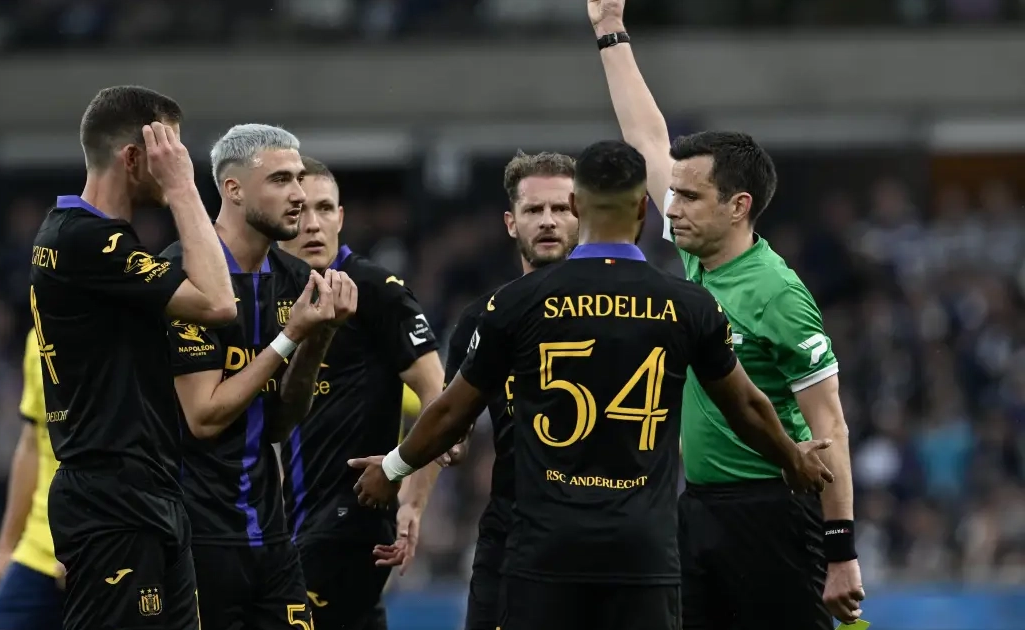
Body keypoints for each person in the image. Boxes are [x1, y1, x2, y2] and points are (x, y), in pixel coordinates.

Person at [350, 140, 835, 630]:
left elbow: (451, 410)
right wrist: (790, 458)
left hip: (545, 553)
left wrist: (392, 468)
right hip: (643, 553)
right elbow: (746, 406)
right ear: (643, 209)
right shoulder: (688, 305)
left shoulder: (515, 304)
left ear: (577, 206)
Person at [587, 1, 866, 627]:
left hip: (775, 514)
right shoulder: (699, 258)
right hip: (700, 509)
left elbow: (831, 427)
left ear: (738, 206)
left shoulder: (778, 294)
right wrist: (609, 31)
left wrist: (842, 552)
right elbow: (647, 139)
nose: (671, 208)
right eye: (674, 195)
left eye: (689, 197)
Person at [30, 85, 236, 630]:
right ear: (133, 157)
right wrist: (185, 188)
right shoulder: (84, 241)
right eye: (170, 150)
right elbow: (219, 302)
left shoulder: (95, 241)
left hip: (146, 486)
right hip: (111, 496)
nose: (179, 161)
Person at [166, 124, 357, 630]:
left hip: (271, 534)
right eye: (280, 180)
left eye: (298, 178)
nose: (299, 195)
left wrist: (319, 336)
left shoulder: (295, 281)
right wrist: (291, 337)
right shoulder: (182, 278)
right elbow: (204, 416)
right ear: (233, 189)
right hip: (195, 536)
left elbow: (281, 422)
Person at [276, 157, 447, 630]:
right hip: (286, 520)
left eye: (325, 208)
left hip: (350, 517)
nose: (313, 224)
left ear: (341, 217)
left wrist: (410, 497)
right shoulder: (268, 293)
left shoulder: (376, 291)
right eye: (301, 211)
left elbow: (442, 400)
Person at [443, 150, 578, 630]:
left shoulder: (626, 311)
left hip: (604, 537)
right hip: (512, 532)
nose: (548, 221)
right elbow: (453, 424)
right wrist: (445, 447)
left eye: (561, 208)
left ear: (583, 216)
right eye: (533, 209)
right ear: (510, 222)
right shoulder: (482, 319)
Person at [0, 329, 62, 630]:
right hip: (36, 549)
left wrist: (88, 544)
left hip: (102, 550)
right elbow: (32, 443)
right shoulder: (37, 338)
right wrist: (6, 547)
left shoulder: (120, 332)